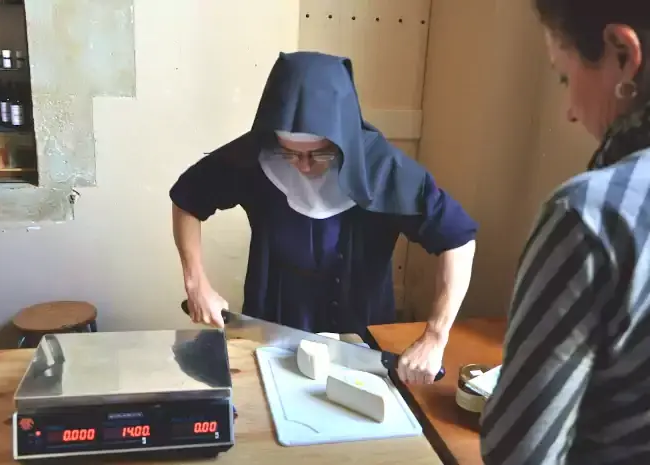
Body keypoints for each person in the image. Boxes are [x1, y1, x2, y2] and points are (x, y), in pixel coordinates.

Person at [170, 51, 478, 385]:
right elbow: (188, 197)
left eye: (319, 153)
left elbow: (458, 238)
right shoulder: (255, 156)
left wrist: (435, 335)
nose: (303, 165)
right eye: (289, 152)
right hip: (271, 333)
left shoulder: (385, 170)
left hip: (362, 338)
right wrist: (195, 282)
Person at [481, 1, 650, 464]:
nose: (571, 112)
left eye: (564, 75)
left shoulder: (589, 216)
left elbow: (522, 454)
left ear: (622, 53)